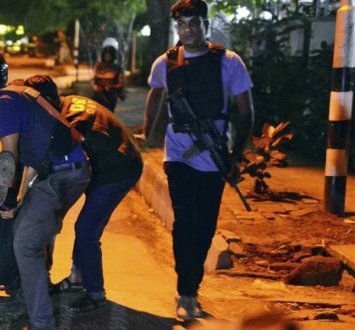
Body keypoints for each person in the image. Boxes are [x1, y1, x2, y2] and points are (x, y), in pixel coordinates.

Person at [0, 49, 91, 330]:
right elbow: (29, 153)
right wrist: (5, 193)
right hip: (63, 170)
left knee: (25, 243)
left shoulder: (3, 100)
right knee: (22, 235)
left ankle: (41, 323)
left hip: (61, 174)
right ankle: (25, 297)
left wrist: (5, 200)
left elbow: (9, 156)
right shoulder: (13, 94)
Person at [143, 0, 254, 321]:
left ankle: (191, 287)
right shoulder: (165, 64)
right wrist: (145, 135)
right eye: (182, 25)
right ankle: (186, 292)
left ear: (206, 24)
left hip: (215, 157)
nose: (187, 30)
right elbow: (155, 96)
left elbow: (246, 112)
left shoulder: (229, 62)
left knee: (205, 228)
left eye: (194, 23)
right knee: (184, 222)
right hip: (178, 156)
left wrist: (237, 156)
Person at [23, 75, 143, 313]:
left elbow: (56, 165)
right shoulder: (69, 101)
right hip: (116, 158)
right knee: (82, 225)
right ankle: (78, 278)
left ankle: (95, 293)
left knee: (86, 230)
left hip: (116, 170)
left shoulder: (66, 123)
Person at [91, 37, 125, 112]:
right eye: (106, 55)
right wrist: (95, 86)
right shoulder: (98, 66)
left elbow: (121, 83)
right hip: (98, 96)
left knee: (108, 115)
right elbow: (94, 79)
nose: (107, 57)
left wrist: (110, 87)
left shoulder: (117, 68)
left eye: (109, 56)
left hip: (110, 97)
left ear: (112, 56)